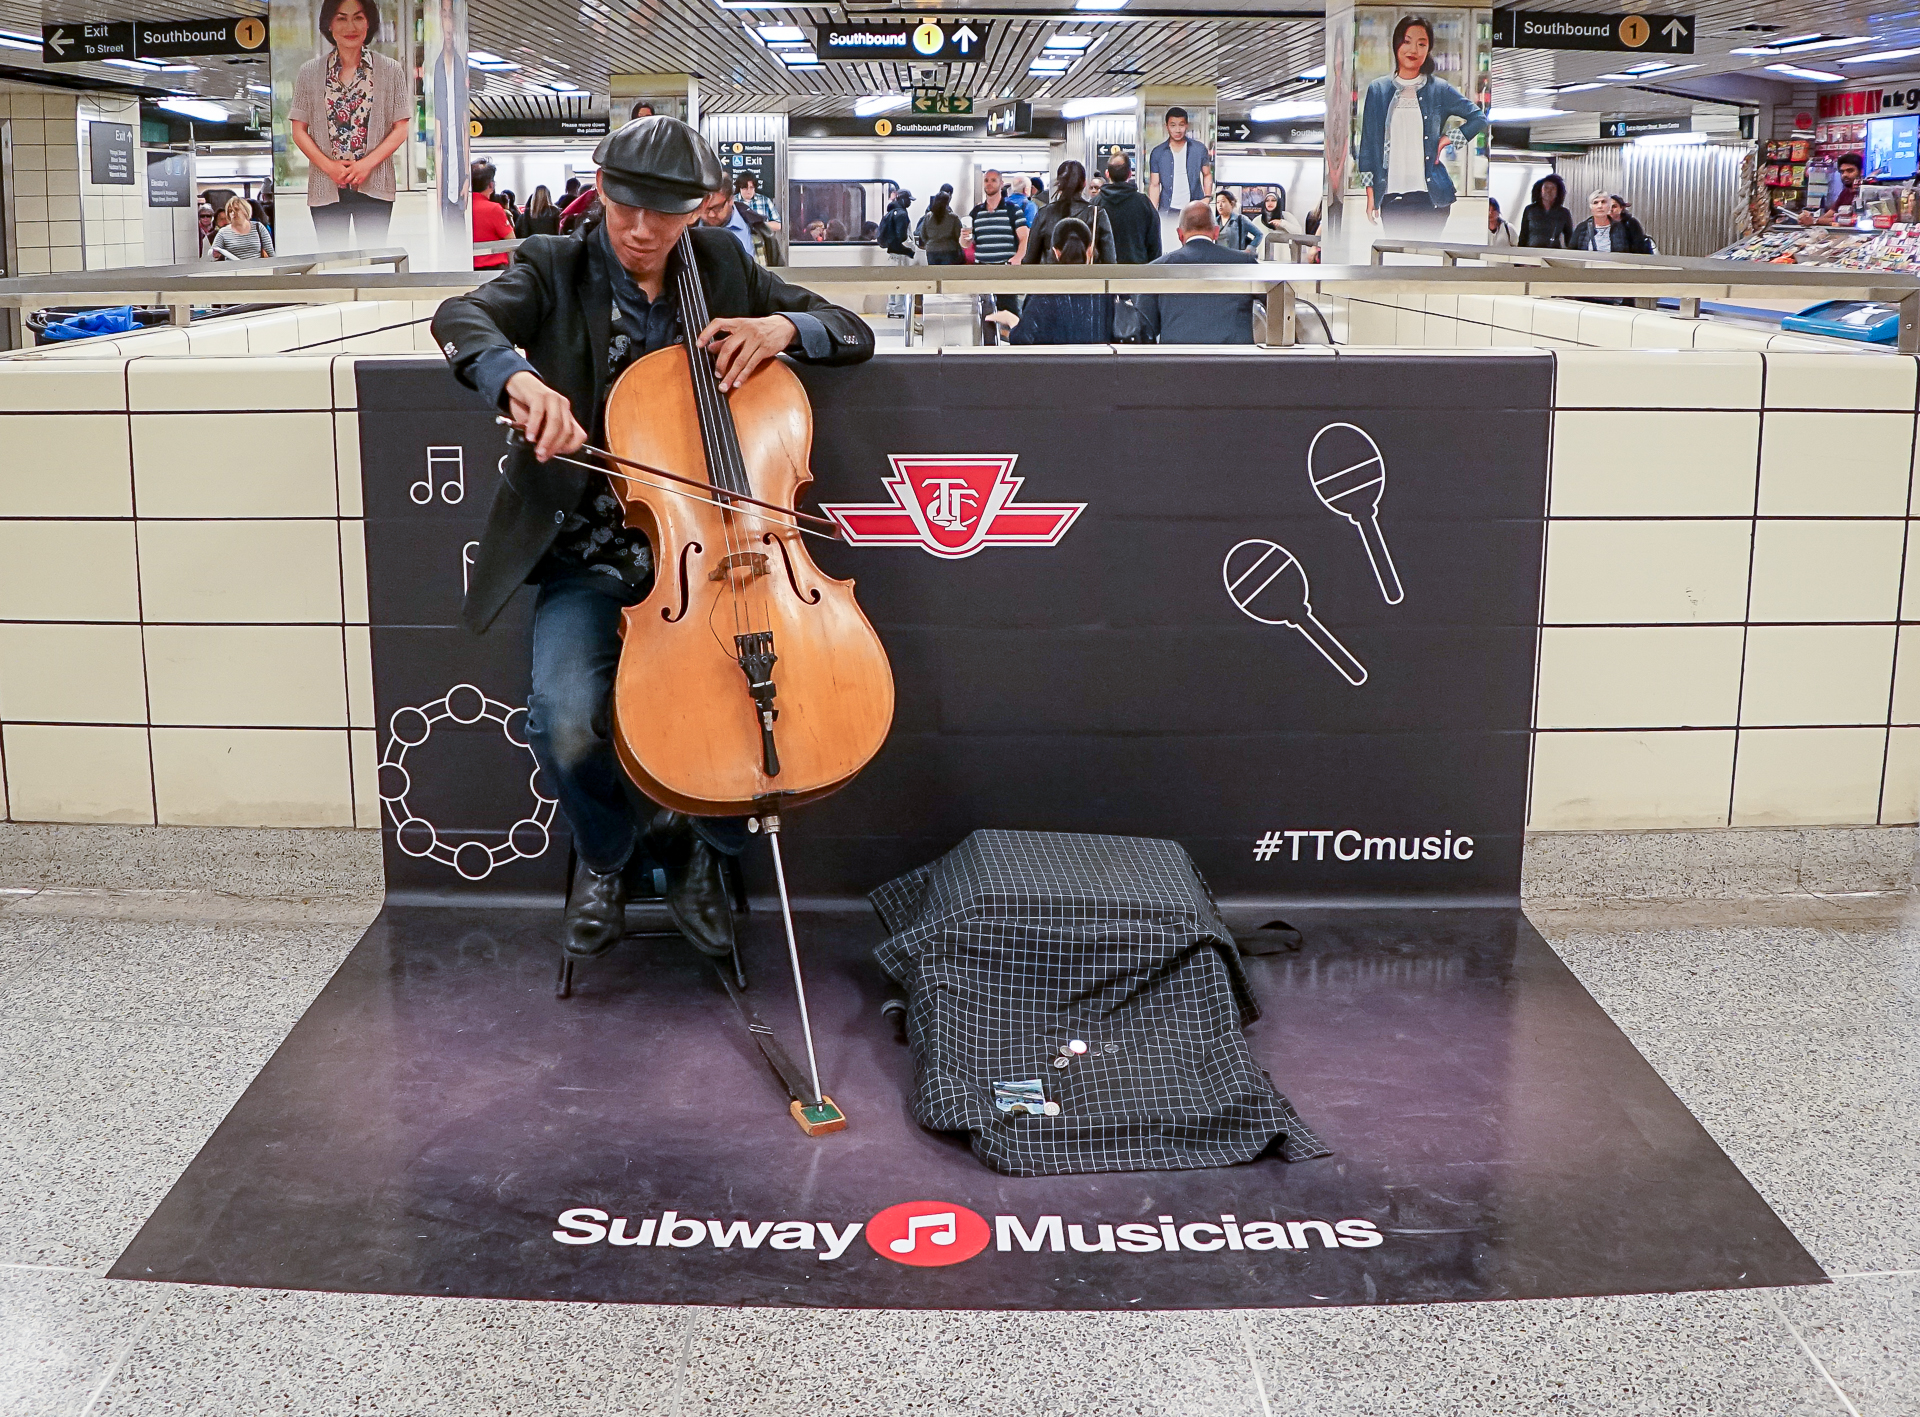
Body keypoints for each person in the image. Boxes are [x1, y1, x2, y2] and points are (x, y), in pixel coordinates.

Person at [429, 116, 874, 961]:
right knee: (563, 721)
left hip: (723, 555)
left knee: (754, 710)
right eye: (626, 207)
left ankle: (704, 851)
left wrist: (785, 330)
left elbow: (851, 332)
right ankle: (611, 853)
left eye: (662, 215)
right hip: (591, 556)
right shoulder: (553, 266)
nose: (640, 230)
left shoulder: (726, 264)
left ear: (700, 208)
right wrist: (519, 379)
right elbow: (461, 317)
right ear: (601, 192)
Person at [289, 0, 410, 247]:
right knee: (333, 263)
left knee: (373, 260)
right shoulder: (309, 72)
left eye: (358, 17)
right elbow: (298, 130)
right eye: (341, 18)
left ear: (369, 22)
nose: (350, 26)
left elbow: (401, 128)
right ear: (330, 24)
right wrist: (330, 167)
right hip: (326, 186)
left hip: (374, 183)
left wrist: (366, 165)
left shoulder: (390, 69)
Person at [1357, 14, 1489, 236]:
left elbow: (1479, 118)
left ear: (1428, 49)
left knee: (1426, 261)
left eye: (1422, 44)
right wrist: (1370, 196)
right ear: (1396, 43)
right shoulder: (1377, 90)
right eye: (1407, 41)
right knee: (1399, 262)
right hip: (1391, 198)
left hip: (1433, 198)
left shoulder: (1439, 89)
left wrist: (1447, 140)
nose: (1413, 50)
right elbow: (1368, 146)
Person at [1135, 200, 1260, 345]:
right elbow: (1275, 304)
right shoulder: (1244, 263)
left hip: (1176, 360)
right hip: (1235, 360)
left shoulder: (1156, 269)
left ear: (1180, 234)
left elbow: (1145, 329)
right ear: (1216, 232)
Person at [987, 219, 1112, 344]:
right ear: (1089, 250)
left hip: (1056, 363)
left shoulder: (1043, 294)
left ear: (1056, 252)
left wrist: (1011, 320)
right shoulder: (1104, 292)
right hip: (1099, 362)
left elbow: (1022, 339)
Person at [968, 169, 1028, 342]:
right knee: (985, 312)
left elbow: (1024, 237)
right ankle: (988, 347)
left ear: (1001, 184)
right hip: (982, 270)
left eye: (993, 180)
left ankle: (1016, 346)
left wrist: (1018, 257)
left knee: (1009, 311)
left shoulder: (1012, 210)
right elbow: (968, 243)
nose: (989, 183)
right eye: (986, 180)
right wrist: (964, 238)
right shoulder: (976, 212)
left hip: (1004, 269)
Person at [1021, 160, 1116, 265]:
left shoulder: (1044, 214)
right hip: (1088, 279)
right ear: (1084, 183)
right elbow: (1110, 260)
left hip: (1053, 279)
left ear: (1059, 183)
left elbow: (1030, 259)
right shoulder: (1097, 214)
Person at [1147, 106, 1213, 230]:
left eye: (1181, 125)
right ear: (1166, 126)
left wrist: (1207, 198)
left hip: (1194, 208)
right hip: (1168, 209)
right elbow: (1154, 184)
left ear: (1187, 125)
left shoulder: (1199, 149)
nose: (1177, 130)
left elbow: (1207, 174)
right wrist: (1152, 212)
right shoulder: (1158, 152)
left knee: (1194, 243)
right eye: (1173, 125)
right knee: (1167, 244)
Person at [1098, 156, 1160, 264]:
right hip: (1137, 274)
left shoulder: (1095, 204)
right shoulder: (1143, 203)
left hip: (1104, 274)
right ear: (1130, 174)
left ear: (1107, 174)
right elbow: (1155, 244)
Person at [471, 161, 516, 269]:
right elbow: (511, 240)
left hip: (467, 267)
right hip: (494, 268)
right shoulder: (494, 209)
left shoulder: (461, 208)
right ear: (491, 185)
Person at [699, 182, 755, 259]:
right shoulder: (686, 227)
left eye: (717, 208)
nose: (711, 215)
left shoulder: (755, 227)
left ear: (731, 200)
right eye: (704, 209)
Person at [209, 194, 274, 260]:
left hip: (257, 268)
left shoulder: (258, 227)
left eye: (236, 209)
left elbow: (270, 253)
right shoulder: (223, 232)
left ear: (245, 210)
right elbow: (211, 255)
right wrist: (214, 254)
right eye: (230, 211)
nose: (233, 213)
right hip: (234, 269)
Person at [1518, 174, 1572, 248]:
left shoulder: (1563, 213)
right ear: (1540, 190)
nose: (1549, 191)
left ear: (1558, 192)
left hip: (1553, 252)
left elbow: (1569, 237)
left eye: (1552, 188)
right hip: (1531, 251)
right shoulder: (1530, 210)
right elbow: (1523, 235)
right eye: (1546, 188)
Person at [1807, 153, 1863, 223]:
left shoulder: (1865, 193)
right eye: (1842, 172)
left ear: (1861, 172)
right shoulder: (1845, 192)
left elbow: (1852, 221)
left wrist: (1815, 221)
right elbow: (1829, 215)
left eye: (1850, 171)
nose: (1845, 175)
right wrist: (1810, 219)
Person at [921, 190, 963, 265]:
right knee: (947, 275)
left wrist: (929, 242)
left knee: (934, 275)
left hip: (931, 249)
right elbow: (958, 235)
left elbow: (923, 234)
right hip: (949, 249)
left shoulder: (928, 216)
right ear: (947, 202)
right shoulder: (953, 218)